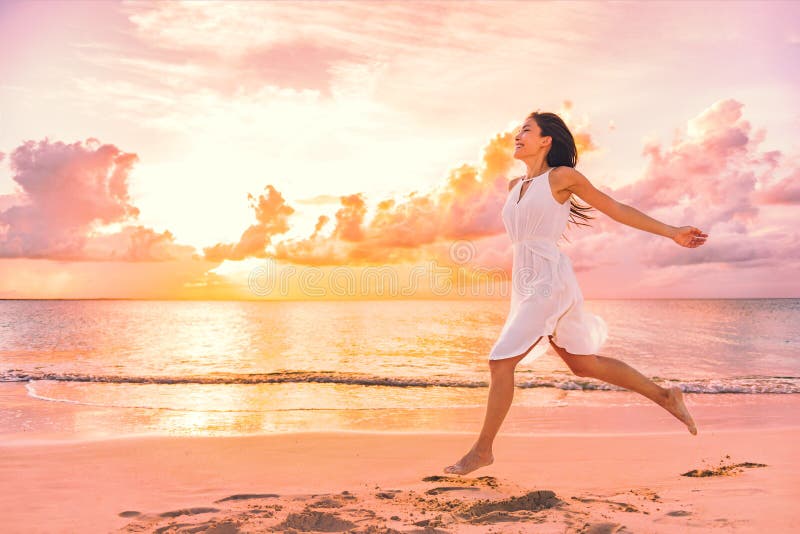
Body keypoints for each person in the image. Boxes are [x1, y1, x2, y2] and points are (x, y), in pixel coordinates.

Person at [444, 111, 707, 476]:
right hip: (525, 281)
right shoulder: (513, 186)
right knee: (582, 364)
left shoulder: (562, 177)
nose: (517, 136)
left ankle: (481, 451)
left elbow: (615, 209)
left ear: (545, 140)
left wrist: (672, 231)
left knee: (500, 362)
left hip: (548, 281)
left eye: (526, 131)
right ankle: (665, 396)